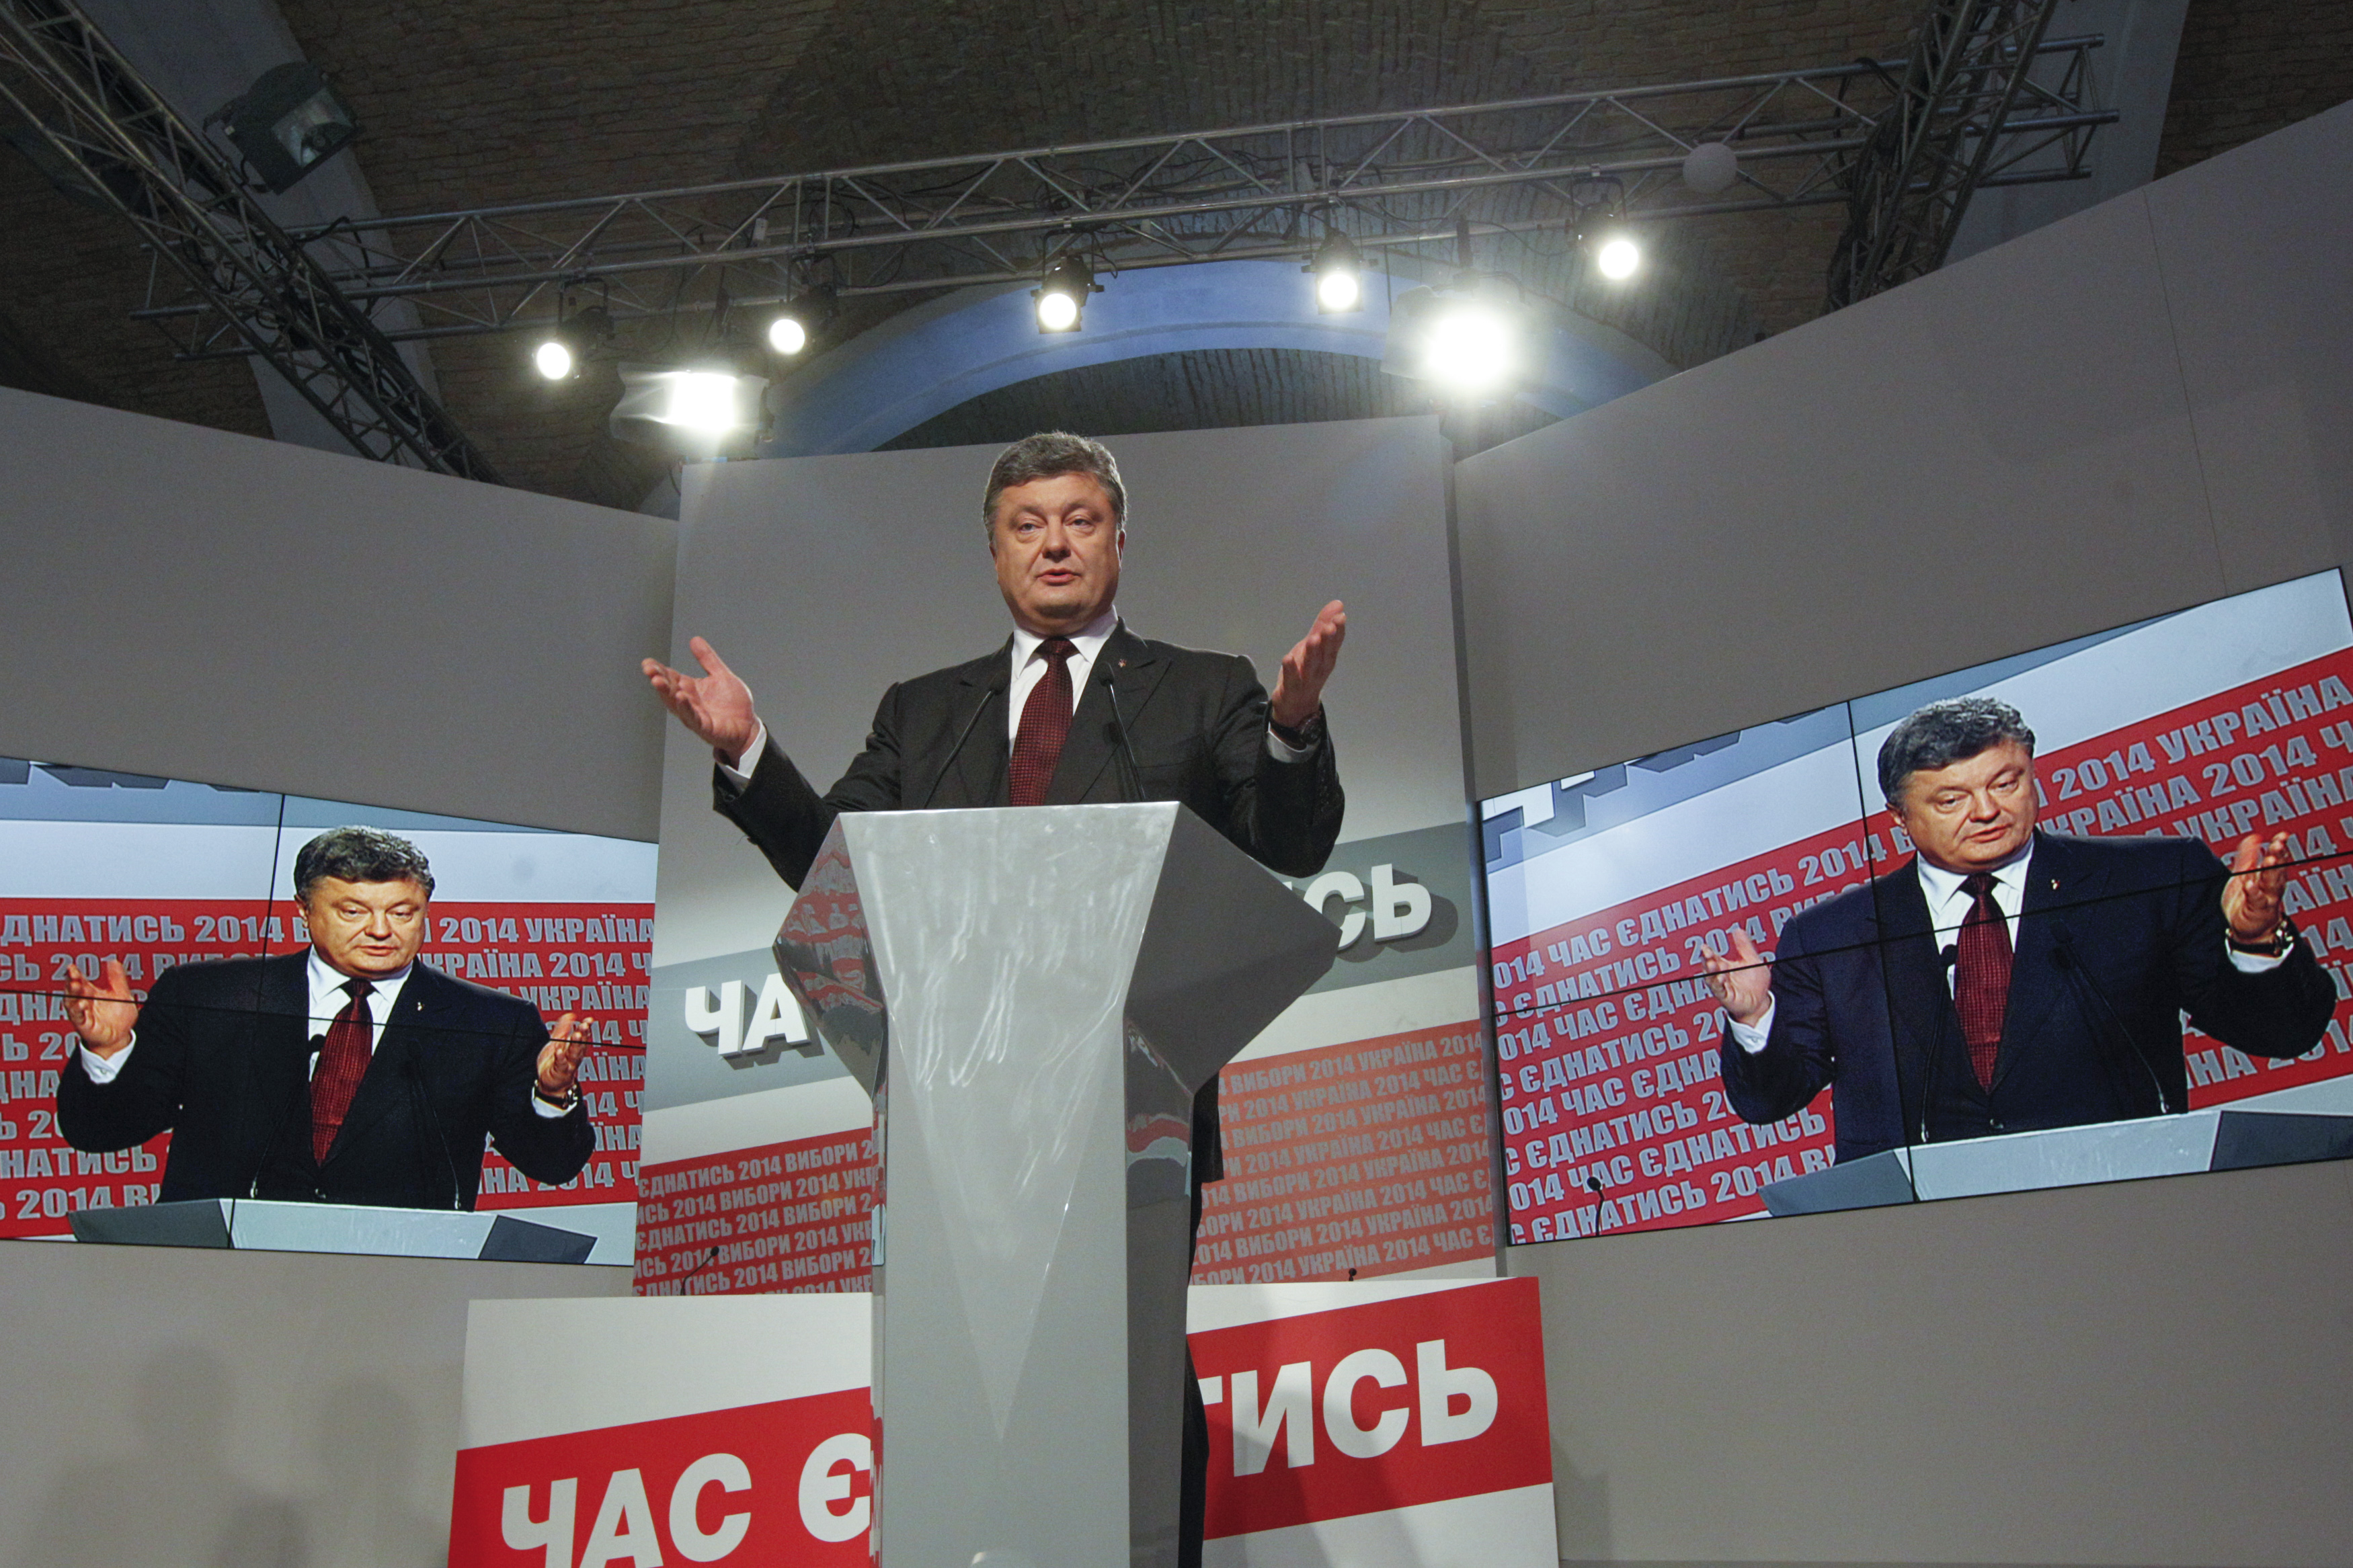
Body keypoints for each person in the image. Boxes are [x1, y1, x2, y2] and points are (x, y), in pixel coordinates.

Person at [643, 430, 1347, 1568]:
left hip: (1130, 1107)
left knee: (1132, 1372)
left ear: (1119, 538)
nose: (1055, 541)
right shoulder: (929, 712)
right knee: (963, 1382)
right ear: (994, 550)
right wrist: (750, 752)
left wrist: (1293, 729)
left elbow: (1290, 839)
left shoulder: (1202, 689)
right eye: (1029, 523)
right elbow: (840, 860)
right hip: (954, 1117)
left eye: (1080, 517)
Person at [1708, 696, 2334, 1163]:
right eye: (1951, 800)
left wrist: (2254, 940)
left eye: (2007, 783)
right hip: (1924, 1249)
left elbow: (2281, 1031)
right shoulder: (1830, 938)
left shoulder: (2150, 881)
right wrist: (1756, 1016)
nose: (1987, 811)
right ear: (1898, 817)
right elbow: (1770, 1101)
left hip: (2126, 1211)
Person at [56, 826, 597, 1210]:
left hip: (397, 1288)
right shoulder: (210, 997)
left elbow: (552, 1165)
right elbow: (102, 1130)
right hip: (220, 1276)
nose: (381, 930)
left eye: (402, 912)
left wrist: (550, 1095)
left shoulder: (491, 1023)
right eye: (353, 911)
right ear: (303, 909)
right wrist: (107, 1054)